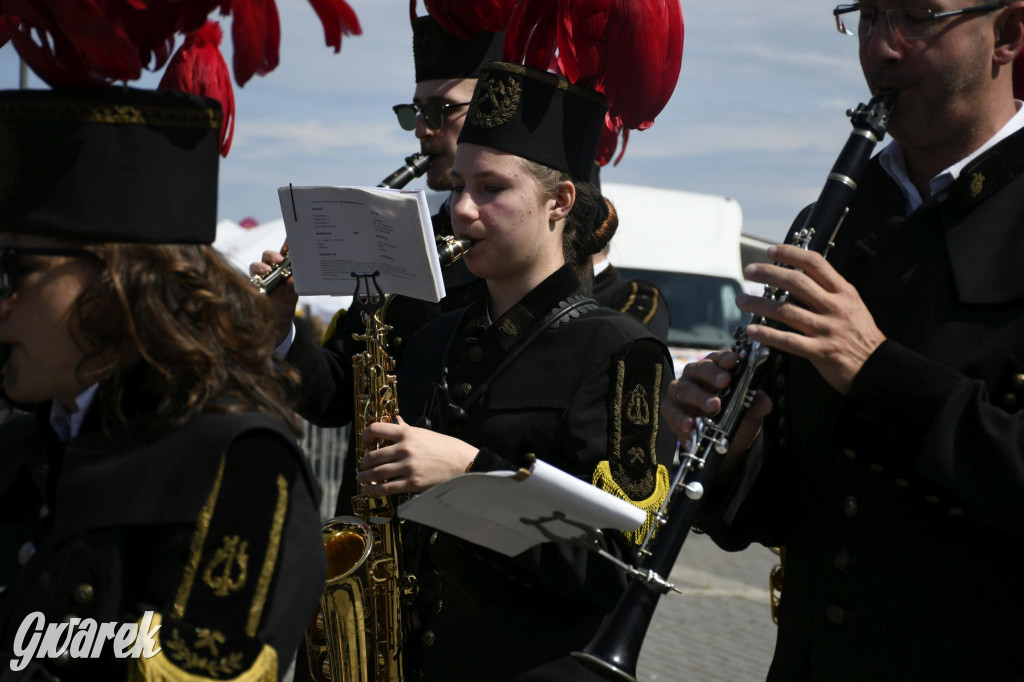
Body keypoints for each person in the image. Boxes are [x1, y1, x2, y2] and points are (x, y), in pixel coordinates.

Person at [663, 1, 1024, 679]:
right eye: (867, 16)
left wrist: (878, 373)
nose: (882, 49)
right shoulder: (838, 216)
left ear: (1007, 34)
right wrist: (735, 454)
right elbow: (797, 510)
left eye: (917, 15)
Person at [353, 61, 677, 681]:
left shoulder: (621, 353)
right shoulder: (432, 338)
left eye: (492, 190)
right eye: (458, 189)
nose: (462, 212)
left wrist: (472, 474)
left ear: (559, 202)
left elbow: (621, 563)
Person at [252, 11, 502, 515]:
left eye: (440, 111)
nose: (422, 132)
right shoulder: (403, 237)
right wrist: (279, 328)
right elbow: (334, 394)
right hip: (377, 532)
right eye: (415, 114)